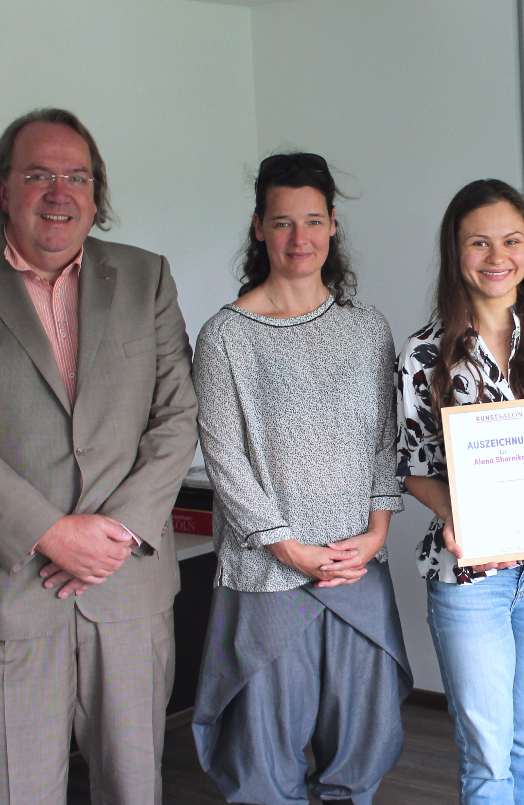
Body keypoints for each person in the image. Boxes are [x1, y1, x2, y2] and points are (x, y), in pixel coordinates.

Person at [0, 108, 199, 804]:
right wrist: (51, 532)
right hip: (0, 591)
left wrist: (116, 532)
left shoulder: (146, 277)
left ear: (96, 191)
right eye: (38, 175)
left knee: (134, 788)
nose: (60, 193)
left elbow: (178, 415)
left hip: (125, 582)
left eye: (77, 177)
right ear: (4, 189)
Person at [191, 152, 411, 805]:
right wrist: (287, 546)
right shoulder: (225, 337)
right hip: (268, 575)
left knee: (362, 745)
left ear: (333, 224)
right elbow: (223, 455)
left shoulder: (367, 328)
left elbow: (385, 439)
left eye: (313, 221)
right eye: (283, 222)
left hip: (354, 565)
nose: (299, 238)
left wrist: (376, 534)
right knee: (262, 755)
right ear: (259, 227)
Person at [396, 178, 524, 804]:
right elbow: (410, 462)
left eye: (511, 240)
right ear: (455, 251)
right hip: (469, 575)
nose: (496, 256)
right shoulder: (425, 353)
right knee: (487, 757)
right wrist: (452, 510)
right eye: (478, 242)